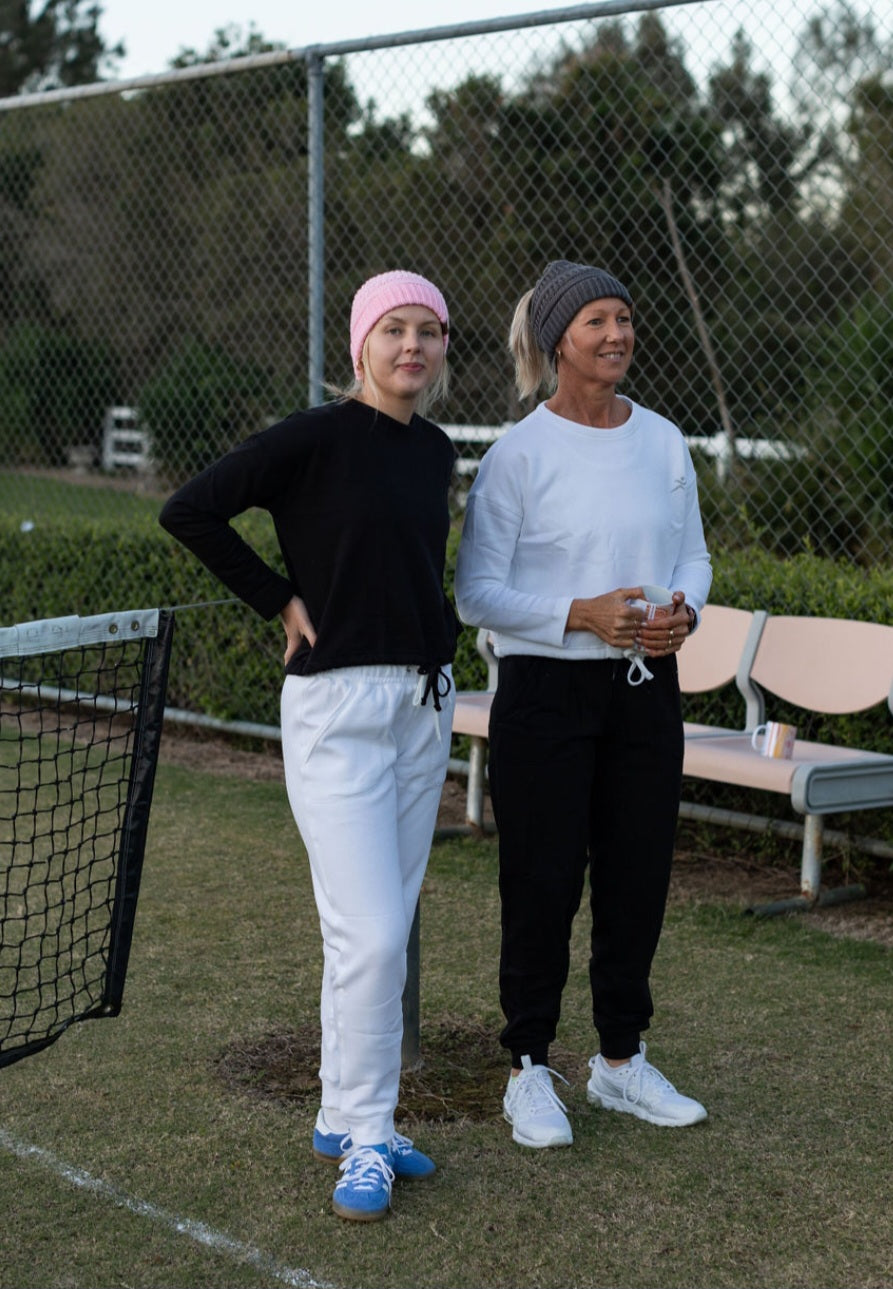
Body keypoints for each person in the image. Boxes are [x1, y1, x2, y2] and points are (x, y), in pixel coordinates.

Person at [159, 270, 458, 1221]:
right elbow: (189, 509)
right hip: (336, 711)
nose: (411, 346)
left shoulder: (436, 450)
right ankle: (370, 1133)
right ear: (361, 342)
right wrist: (279, 599)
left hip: (423, 706)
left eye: (428, 330)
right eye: (394, 328)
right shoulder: (311, 437)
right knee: (373, 934)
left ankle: (342, 1111)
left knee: (371, 928)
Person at [455, 259, 713, 1149]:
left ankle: (618, 1060)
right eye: (597, 320)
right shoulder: (517, 456)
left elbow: (692, 556)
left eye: (624, 317)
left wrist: (683, 611)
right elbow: (476, 593)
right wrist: (579, 614)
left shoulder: (664, 441)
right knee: (542, 880)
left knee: (636, 878)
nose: (616, 334)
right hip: (543, 696)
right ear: (557, 339)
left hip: (644, 691)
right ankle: (527, 1066)